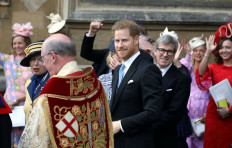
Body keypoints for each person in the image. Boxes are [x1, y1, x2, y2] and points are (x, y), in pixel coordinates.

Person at [18, 34, 113, 148]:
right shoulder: (95, 86)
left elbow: (37, 142)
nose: (44, 63)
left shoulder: (49, 96)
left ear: (53, 57)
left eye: (43, 58)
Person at [110, 19, 163, 148]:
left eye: (125, 40)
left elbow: (153, 112)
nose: (120, 45)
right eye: (117, 41)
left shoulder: (148, 69)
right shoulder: (117, 70)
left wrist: (120, 125)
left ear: (136, 40)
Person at [152, 27, 191, 148]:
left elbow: (173, 114)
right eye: (162, 50)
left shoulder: (182, 79)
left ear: (174, 54)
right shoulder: (144, 73)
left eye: (169, 51)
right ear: (155, 51)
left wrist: (146, 128)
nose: (165, 54)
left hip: (164, 140)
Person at [196, 22, 232, 148]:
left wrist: (229, 110)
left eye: (228, 47)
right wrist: (208, 52)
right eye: (221, 48)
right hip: (215, 116)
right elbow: (201, 74)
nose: (224, 51)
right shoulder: (213, 67)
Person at [0, 22, 33, 147]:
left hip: (26, 105)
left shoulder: (34, 62)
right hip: (9, 107)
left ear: (27, 44)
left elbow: (36, 87)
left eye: (20, 43)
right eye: (14, 43)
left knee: (25, 138)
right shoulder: (8, 60)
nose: (17, 46)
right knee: (8, 137)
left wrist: (18, 99)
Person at [174, 36, 210, 148]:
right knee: (189, 139)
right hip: (189, 107)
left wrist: (209, 114)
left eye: (201, 50)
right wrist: (187, 54)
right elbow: (181, 68)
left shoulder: (209, 70)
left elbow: (212, 91)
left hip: (203, 108)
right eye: (195, 50)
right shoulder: (188, 67)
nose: (198, 53)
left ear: (205, 52)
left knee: (202, 138)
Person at [20, 40, 50, 122]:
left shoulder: (52, 81)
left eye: (41, 59)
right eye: (33, 59)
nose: (35, 63)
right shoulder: (29, 82)